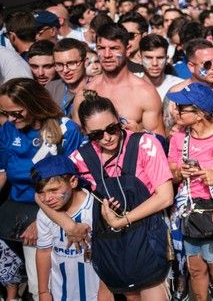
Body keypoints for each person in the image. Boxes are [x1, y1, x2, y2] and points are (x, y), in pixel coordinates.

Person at [67, 90, 173, 300]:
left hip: (148, 237)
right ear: (85, 133)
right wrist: (70, 226)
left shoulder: (144, 144)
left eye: (112, 128)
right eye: (96, 135)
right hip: (112, 245)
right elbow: (42, 192)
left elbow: (165, 197)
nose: (107, 138)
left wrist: (122, 220)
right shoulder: (79, 158)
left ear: (119, 120)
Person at [0, 78, 84, 300]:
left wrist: (42, 220)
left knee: (41, 286)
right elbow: (2, 172)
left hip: (51, 212)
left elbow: (74, 182)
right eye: (5, 112)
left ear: (34, 104)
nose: (10, 118)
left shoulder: (66, 129)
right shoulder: (8, 130)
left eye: (16, 112)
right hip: (13, 208)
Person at [167, 83, 213, 301]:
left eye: (181, 107)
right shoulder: (179, 136)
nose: (175, 110)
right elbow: (171, 170)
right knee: (196, 270)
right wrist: (180, 172)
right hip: (189, 213)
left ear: (199, 114)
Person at [73, 23, 165, 136]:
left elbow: (160, 143)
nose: (107, 55)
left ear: (127, 49)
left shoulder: (145, 93)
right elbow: (77, 141)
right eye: (101, 48)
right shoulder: (84, 94)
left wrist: (139, 135)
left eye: (114, 48)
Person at [33, 155, 103, 301]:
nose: (47, 198)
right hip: (61, 293)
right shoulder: (44, 213)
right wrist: (43, 292)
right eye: (41, 192)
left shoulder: (97, 208)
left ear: (73, 181)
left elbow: (112, 253)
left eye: (53, 190)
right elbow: (44, 251)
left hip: (97, 293)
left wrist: (106, 289)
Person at [47, 38, 89, 117]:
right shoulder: (51, 88)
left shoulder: (97, 87)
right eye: (59, 65)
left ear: (86, 62)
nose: (65, 70)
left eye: (71, 63)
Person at [139, 34, 184, 100]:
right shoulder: (130, 87)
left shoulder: (180, 86)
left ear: (167, 59)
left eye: (160, 58)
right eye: (149, 58)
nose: (155, 63)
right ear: (140, 59)